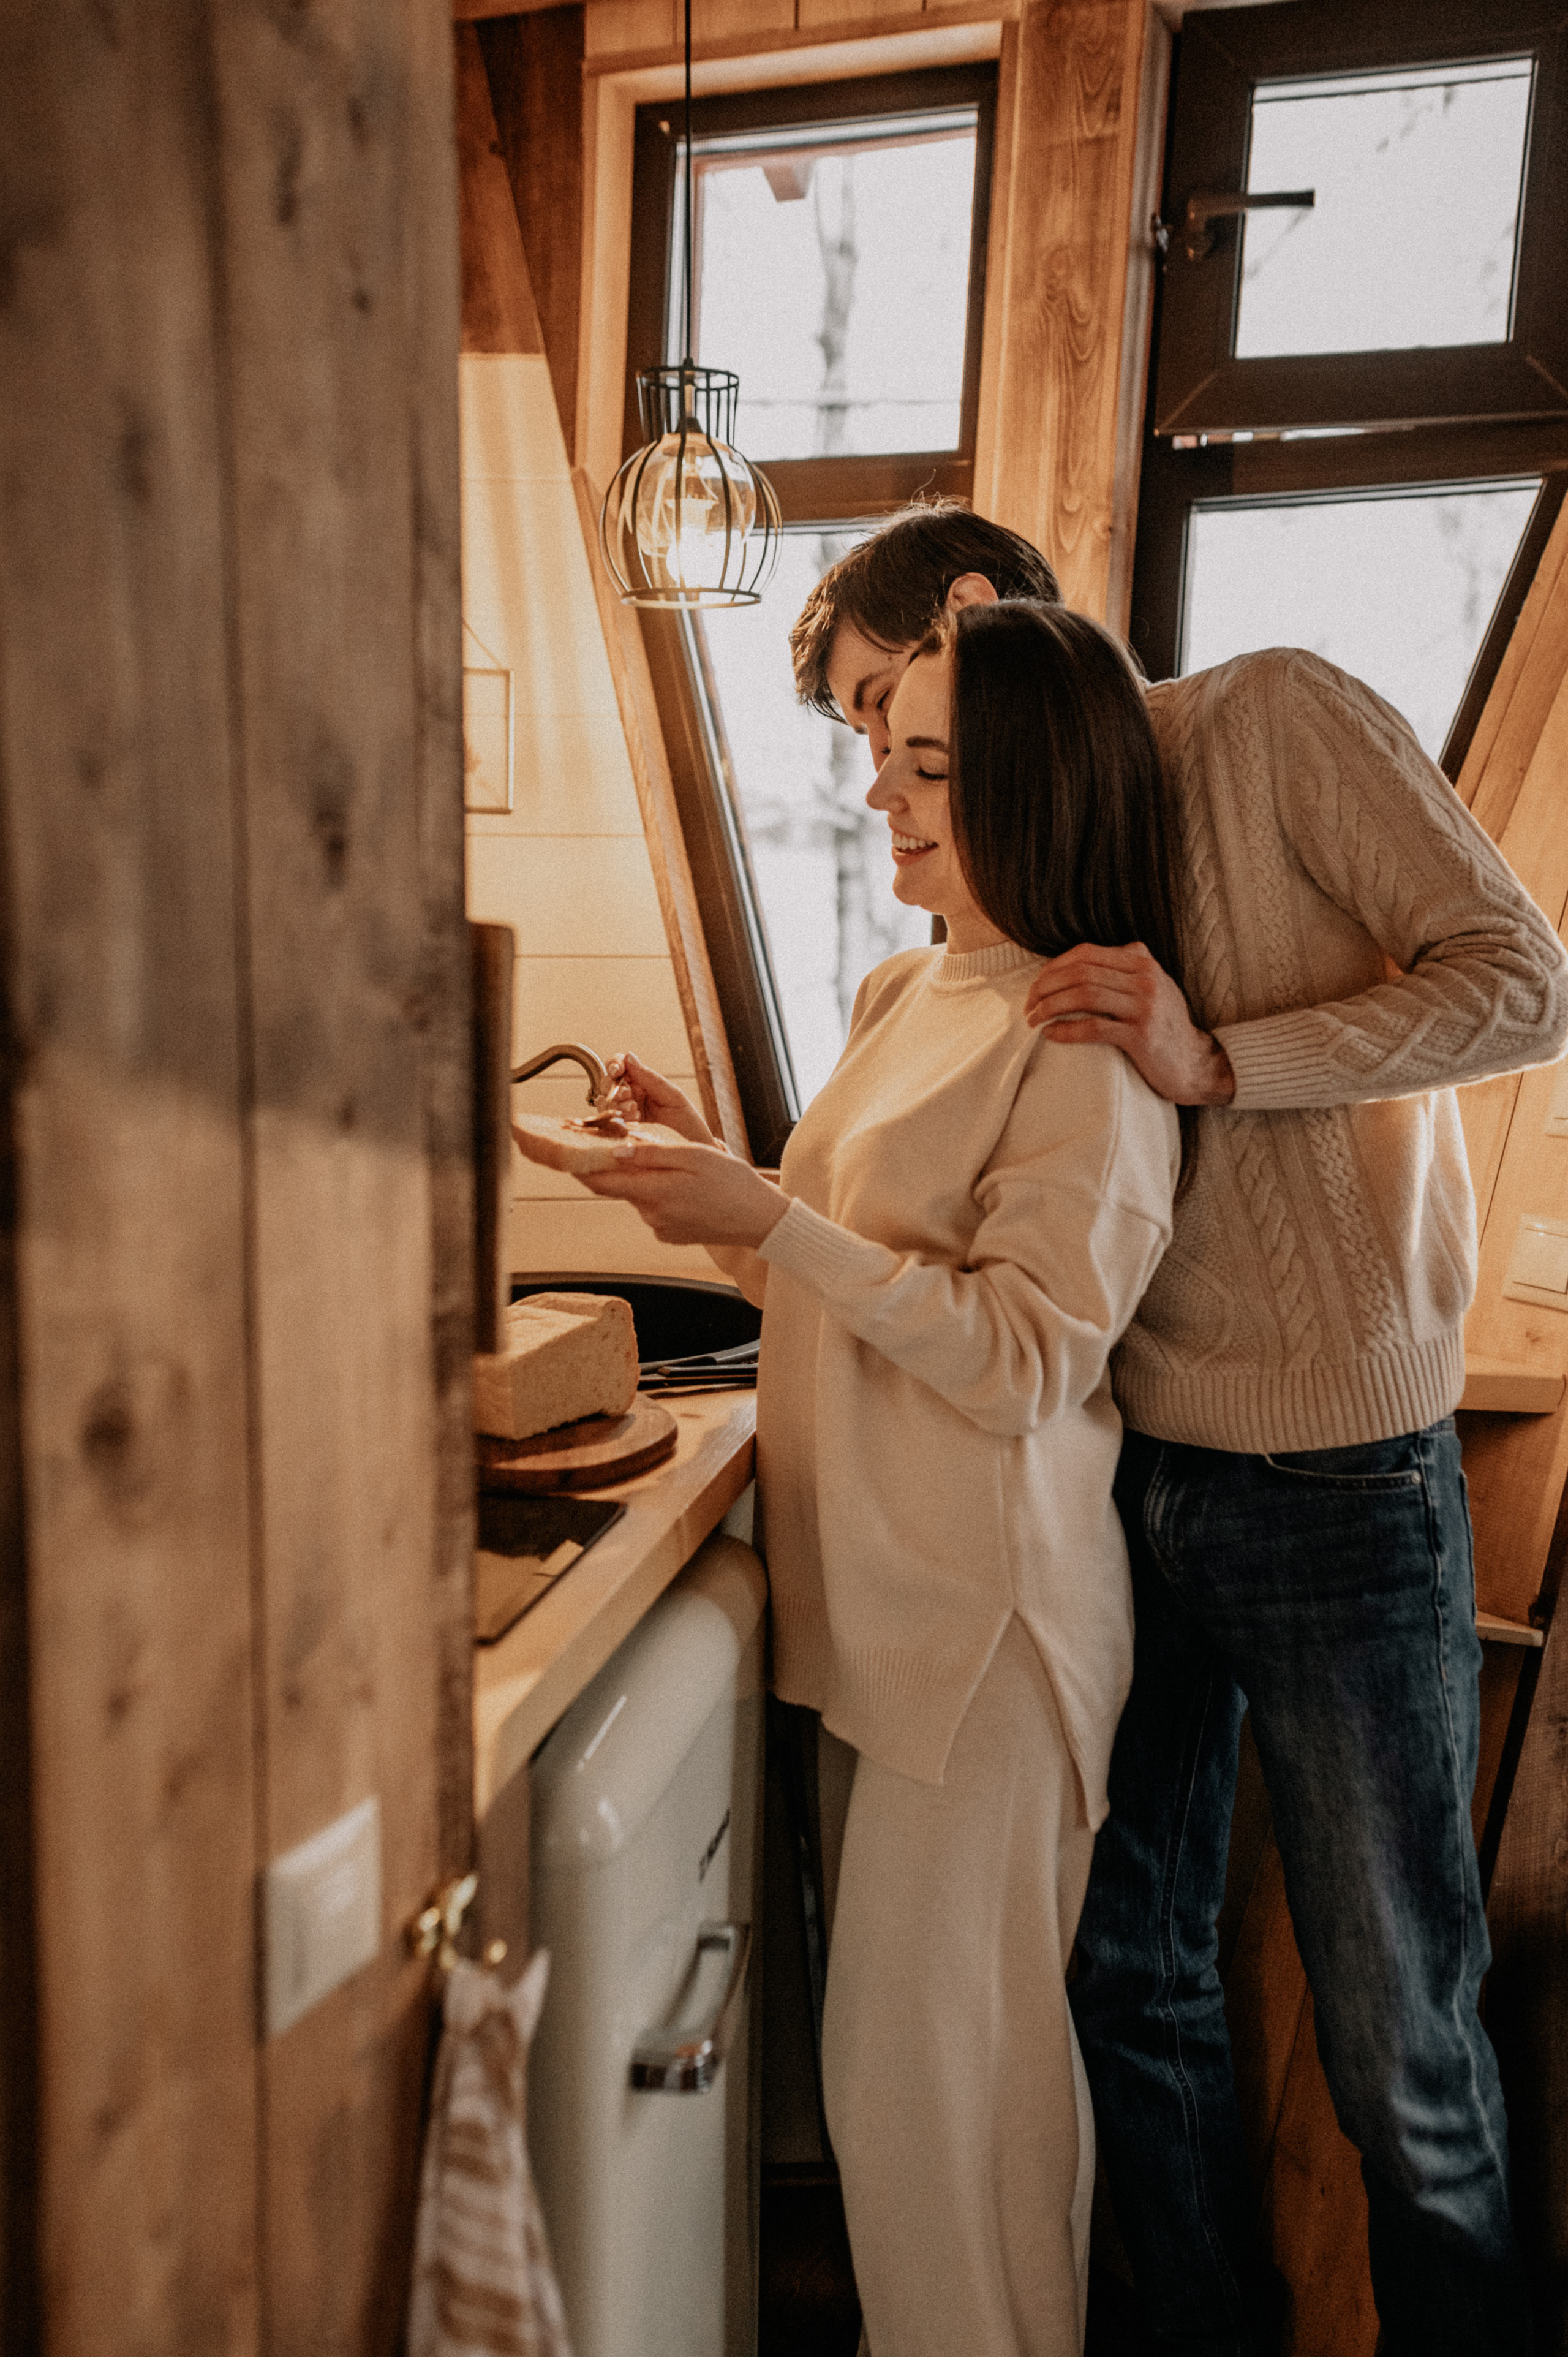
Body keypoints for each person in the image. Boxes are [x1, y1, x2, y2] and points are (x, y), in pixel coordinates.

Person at [790, 502, 1568, 2357]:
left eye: (886, 716)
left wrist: (1221, 1052)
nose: (891, 785)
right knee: (1131, 1984)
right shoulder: (1022, 864)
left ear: (974, 620)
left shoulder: (1274, 719)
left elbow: (1529, 981)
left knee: (1401, 2047)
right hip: (1128, 1480)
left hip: (1337, 1486)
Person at [584, 603, 1184, 2356]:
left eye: (926, 765)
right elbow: (836, 1285)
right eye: (878, 754)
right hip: (879, 1610)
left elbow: (1026, 1361)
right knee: (917, 2111)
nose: (881, 798)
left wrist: (765, 1216)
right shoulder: (905, 984)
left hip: (991, 1638)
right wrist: (707, 1179)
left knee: (946, 2113)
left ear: (1036, 778)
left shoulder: (1086, 1037)